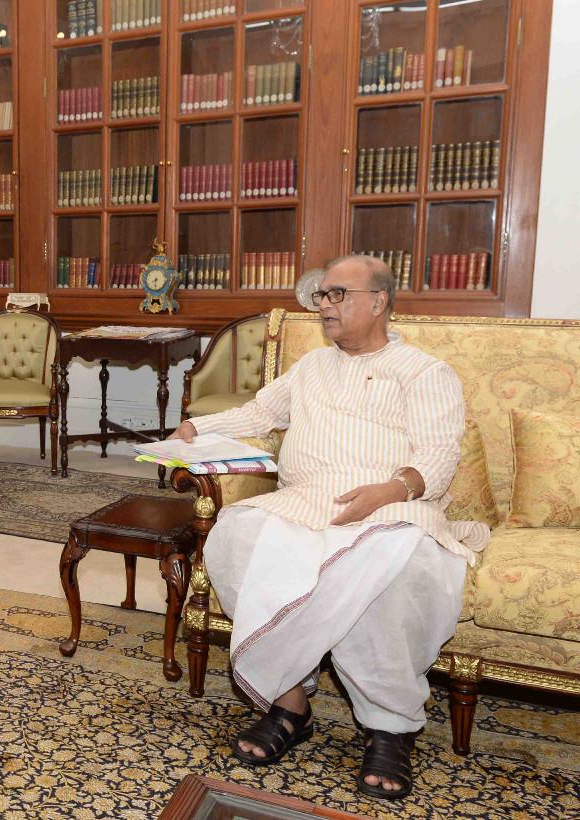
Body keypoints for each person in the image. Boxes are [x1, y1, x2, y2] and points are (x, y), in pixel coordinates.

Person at [172, 254, 489, 800]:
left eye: (338, 294)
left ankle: (389, 728)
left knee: (396, 570)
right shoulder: (312, 367)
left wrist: (389, 490)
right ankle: (289, 704)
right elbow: (260, 414)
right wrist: (196, 428)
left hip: (391, 506)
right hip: (305, 501)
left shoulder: (424, 371)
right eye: (322, 295)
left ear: (379, 302)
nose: (324, 305)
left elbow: (438, 457)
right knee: (235, 537)